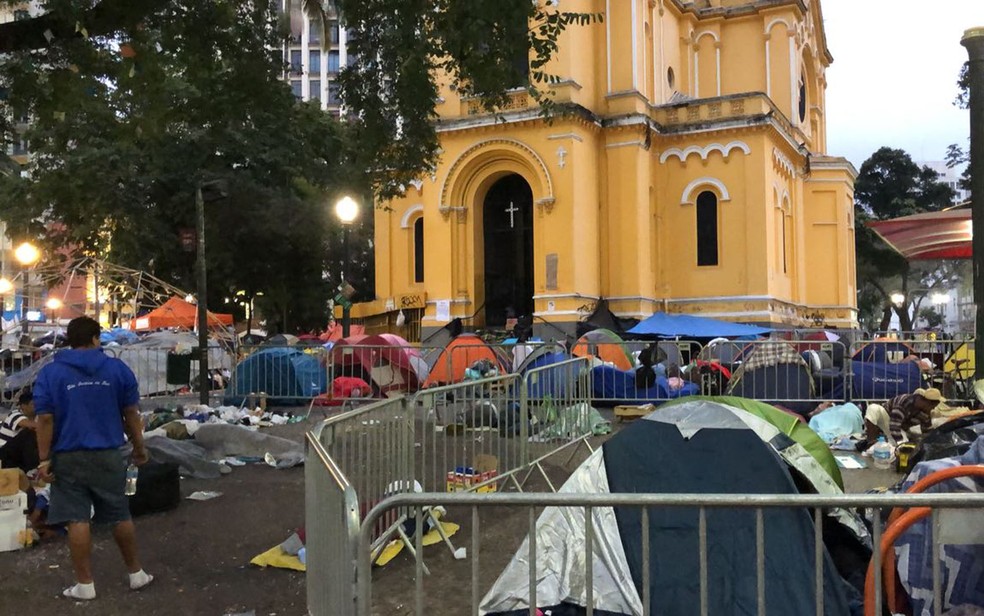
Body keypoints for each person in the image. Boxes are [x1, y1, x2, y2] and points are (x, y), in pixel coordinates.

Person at [33, 316, 153, 600]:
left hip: (68, 455)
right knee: (119, 514)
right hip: (109, 453)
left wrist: (43, 460)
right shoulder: (117, 369)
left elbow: (45, 419)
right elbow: (131, 414)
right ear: (96, 338)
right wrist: (139, 448)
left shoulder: (51, 373)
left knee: (77, 518)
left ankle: (85, 585)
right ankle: (136, 573)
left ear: (69, 341)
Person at [863, 387, 942, 446]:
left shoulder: (926, 412)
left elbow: (927, 431)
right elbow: (894, 424)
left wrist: (934, 443)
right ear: (927, 402)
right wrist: (900, 442)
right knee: (873, 408)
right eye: (933, 406)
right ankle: (871, 440)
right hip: (887, 416)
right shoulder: (905, 402)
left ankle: (884, 442)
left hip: (898, 426)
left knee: (903, 444)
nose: (933, 409)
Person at [0, 388, 40, 472]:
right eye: (33, 404)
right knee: (29, 433)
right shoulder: (15, 414)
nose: (37, 406)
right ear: (23, 406)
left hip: (17, 456)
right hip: (4, 453)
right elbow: (30, 425)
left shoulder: (37, 418)